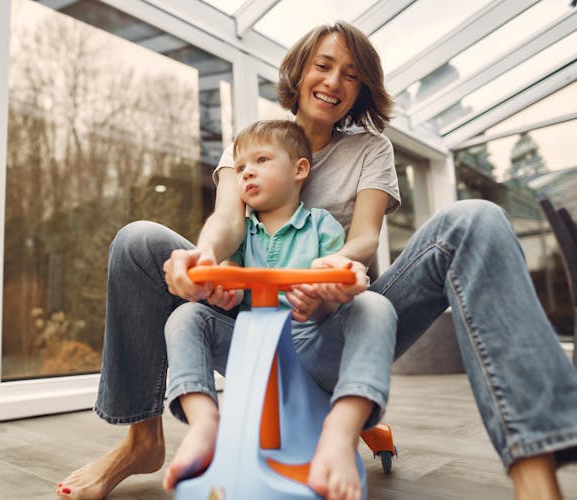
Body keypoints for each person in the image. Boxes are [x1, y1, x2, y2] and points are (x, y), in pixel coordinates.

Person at [56, 22, 577, 500]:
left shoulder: (372, 148)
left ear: (363, 88)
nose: (334, 81)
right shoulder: (254, 142)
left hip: (338, 323)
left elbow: (365, 238)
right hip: (248, 322)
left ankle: (533, 469)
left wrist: (334, 270)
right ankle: (141, 443)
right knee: (136, 239)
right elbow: (227, 221)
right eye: (323, 65)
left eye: (351, 74)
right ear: (301, 70)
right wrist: (204, 258)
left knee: (476, 218)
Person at [162, 119, 397, 499]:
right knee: (185, 316)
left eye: (261, 160)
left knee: (374, 307)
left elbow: (336, 282)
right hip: (250, 344)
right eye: (240, 168)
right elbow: (229, 281)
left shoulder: (321, 226)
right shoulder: (242, 232)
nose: (247, 172)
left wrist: (325, 294)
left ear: (300, 169)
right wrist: (224, 293)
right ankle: (204, 424)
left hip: (312, 341)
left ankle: (341, 432)